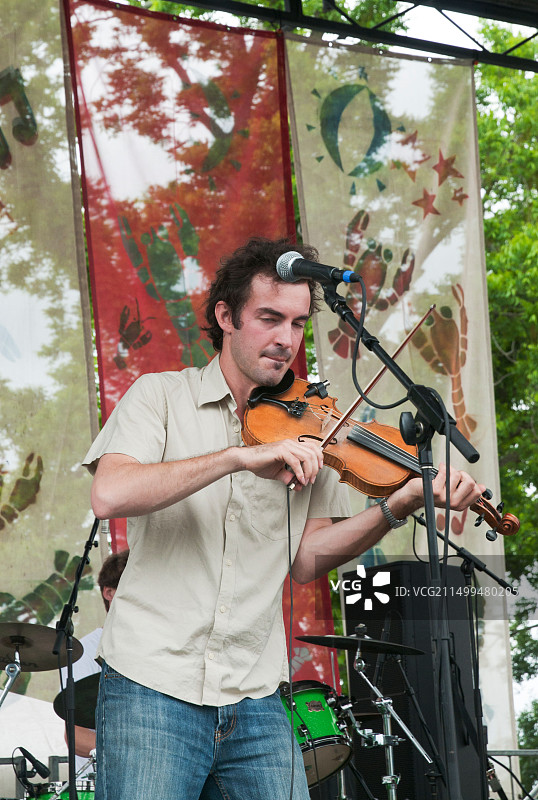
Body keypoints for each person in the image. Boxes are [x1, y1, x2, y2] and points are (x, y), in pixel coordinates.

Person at [83, 236, 485, 800]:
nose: (285, 341)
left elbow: (306, 560)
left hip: (256, 694)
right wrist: (235, 458)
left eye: (297, 325)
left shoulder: (313, 427)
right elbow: (110, 493)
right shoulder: (160, 397)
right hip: (152, 683)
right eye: (269, 319)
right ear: (225, 316)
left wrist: (397, 506)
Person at [62, 550, 129, 766]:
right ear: (109, 593)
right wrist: (134, 751)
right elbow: (75, 737)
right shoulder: (84, 652)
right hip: (101, 780)